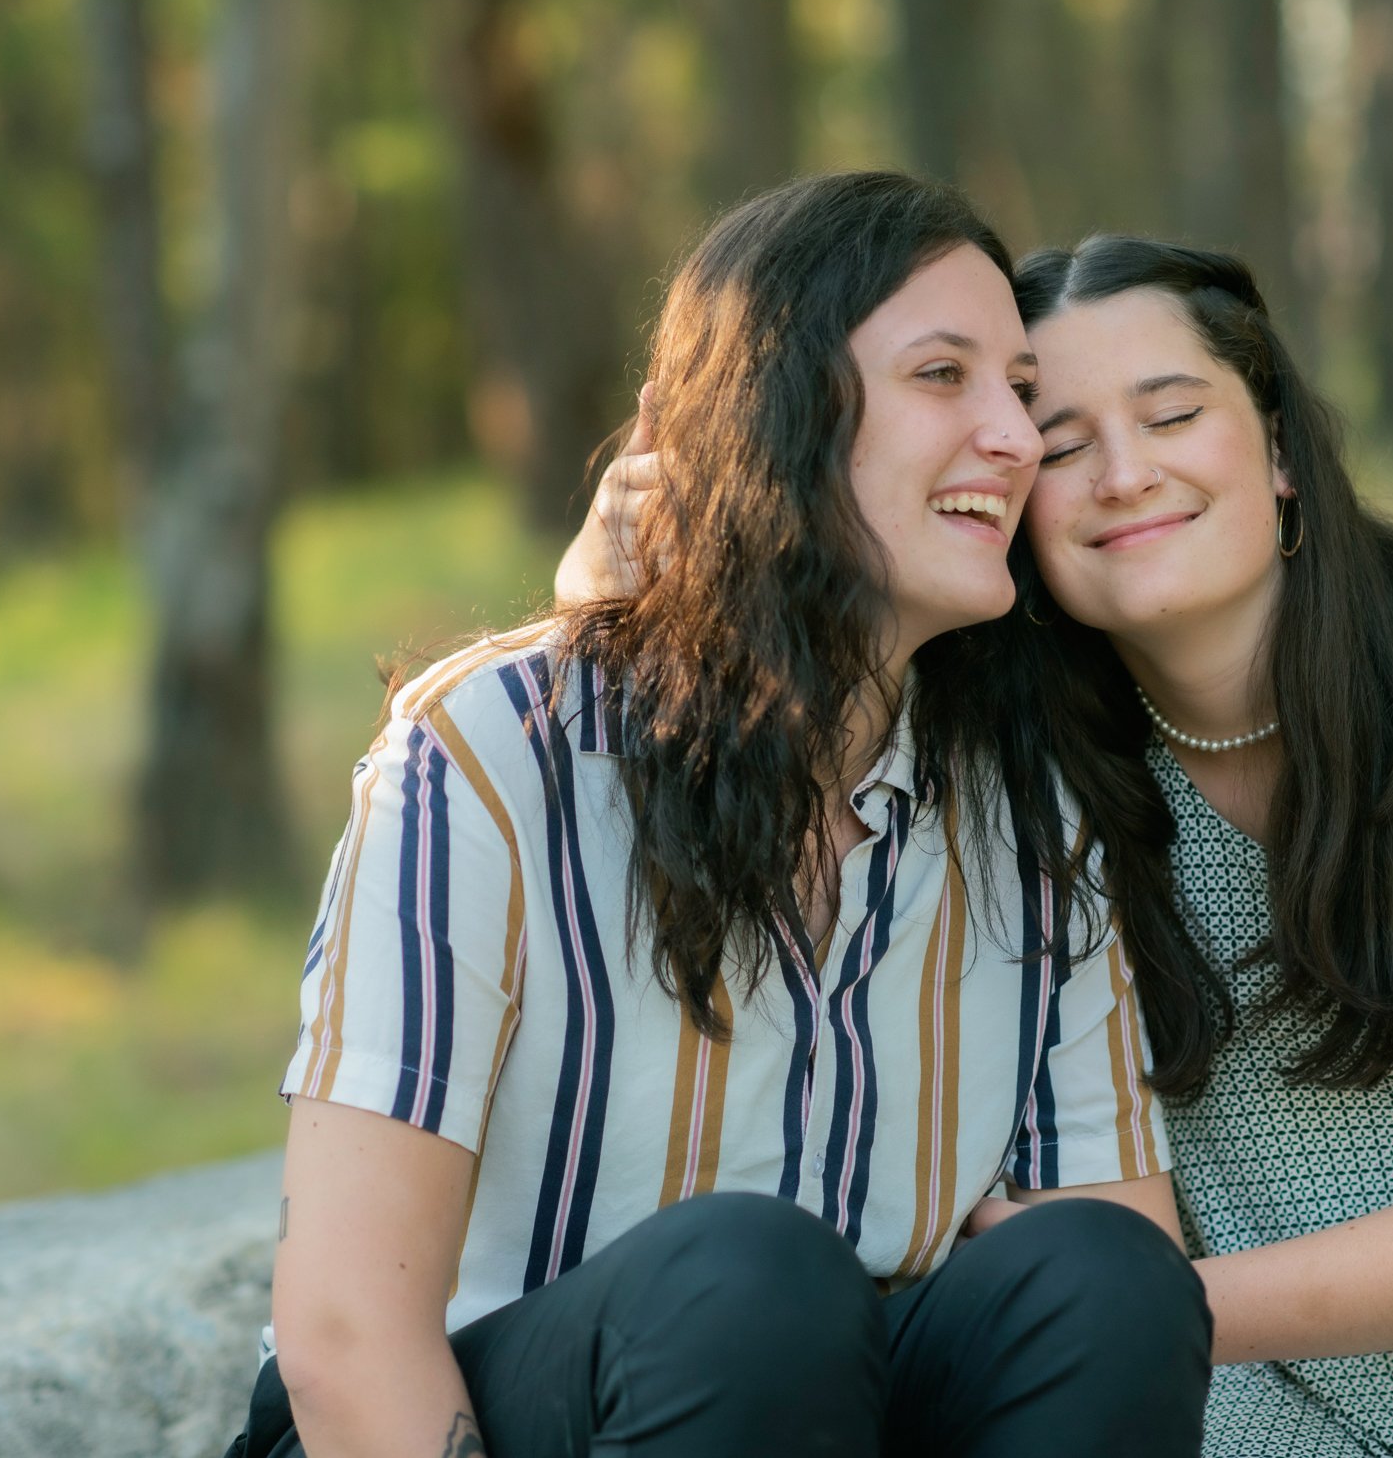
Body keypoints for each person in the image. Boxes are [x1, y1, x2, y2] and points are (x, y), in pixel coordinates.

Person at [566, 232, 1393, 1457]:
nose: (1121, 474)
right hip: (1253, 1410)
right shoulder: (1025, 777)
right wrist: (600, 592)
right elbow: (744, 787)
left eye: (1169, 415)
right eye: (1060, 444)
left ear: (1276, 451)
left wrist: (1110, 1310)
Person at [234, 174, 1210, 1458]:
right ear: (772, 411)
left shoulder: (1025, 812)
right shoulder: (489, 750)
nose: (1018, 439)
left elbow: (1113, 1253)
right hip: (450, 1426)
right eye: (941, 375)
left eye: (1018, 392)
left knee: (1102, 1277)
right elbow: (347, 1334)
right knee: (748, 1283)